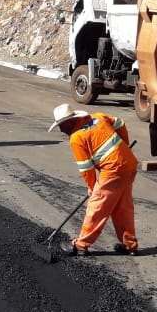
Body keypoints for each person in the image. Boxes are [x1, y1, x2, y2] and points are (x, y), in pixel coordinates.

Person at [48, 104, 138, 256]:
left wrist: (92, 187)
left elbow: (86, 169)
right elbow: (120, 123)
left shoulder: (76, 138)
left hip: (113, 170)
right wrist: (125, 146)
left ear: (69, 122)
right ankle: (129, 244)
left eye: (61, 126)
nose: (61, 130)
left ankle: (81, 245)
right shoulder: (98, 117)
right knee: (122, 206)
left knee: (97, 206)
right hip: (129, 164)